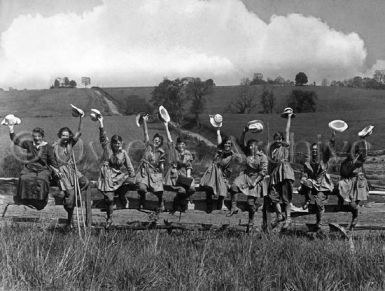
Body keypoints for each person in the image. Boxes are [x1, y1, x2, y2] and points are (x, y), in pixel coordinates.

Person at [8, 124, 61, 210]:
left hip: (43, 169)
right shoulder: (29, 144)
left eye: (39, 136)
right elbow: (16, 141)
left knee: (42, 179)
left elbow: (52, 161)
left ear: (42, 136)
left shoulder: (48, 147)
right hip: (30, 168)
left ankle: (40, 202)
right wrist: (11, 128)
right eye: (35, 136)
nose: (37, 138)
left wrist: (57, 171)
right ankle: (26, 201)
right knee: (24, 178)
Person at [96, 115, 135, 228]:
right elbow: (103, 137)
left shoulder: (123, 153)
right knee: (109, 198)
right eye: (115, 143)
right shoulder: (108, 149)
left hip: (118, 176)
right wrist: (101, 122)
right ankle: (109, 217)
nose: (117, 145)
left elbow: (130, 166)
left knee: (132, 182)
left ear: (121, 143)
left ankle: (122, 194)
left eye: (119, 143)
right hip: (107, 175)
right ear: (112, 144)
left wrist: (132, 176)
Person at [52, 114, 89, 229]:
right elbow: (48, 161)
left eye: (67, 135)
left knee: (85, 182)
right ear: (60, 135)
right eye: (63, 135)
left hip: (71, 170)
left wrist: (81, 117)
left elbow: (79, 131)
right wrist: (55, 170)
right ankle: (69, 220)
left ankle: (69, 198)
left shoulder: (70, 144)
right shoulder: (54, 146)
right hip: (60, 172)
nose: (65, 137)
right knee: (70, 194)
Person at [229, 125, 268, 230]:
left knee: (250, 202)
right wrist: (244, 132)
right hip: (246, 175)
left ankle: (251, 221)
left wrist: (255, 182)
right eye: (249, 146)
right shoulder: (248, 154)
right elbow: (241, 143)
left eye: (252, 146)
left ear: (256, 147)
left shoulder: (262, 157)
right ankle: (234, 207)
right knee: (233, 186)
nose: (250, 148)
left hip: (257, 178)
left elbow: (263, 172)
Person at [299, 130, 336, 230]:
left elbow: (329, 150)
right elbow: (305, 173)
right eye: (313, 150)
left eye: (316, 150)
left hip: (322, 184)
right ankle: (307, 199)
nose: (314, 151)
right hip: (313, 183)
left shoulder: (323, 160)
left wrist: (332, 139)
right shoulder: (308, 162)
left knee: (319, 203)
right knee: (304, 183)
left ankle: (319, 221)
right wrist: (303, 180)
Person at [337, 132, 370, 230]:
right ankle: (343, 202)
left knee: (353, 203)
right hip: (348, 183)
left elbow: (365, 154)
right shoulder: (345, 163)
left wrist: (363, 139)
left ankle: (355, 217)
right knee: (341, 187)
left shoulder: (359, 160)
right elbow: (343, 174)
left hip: (358, 183)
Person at [200, 127, 238, 213]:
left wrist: (226, 179)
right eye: (226, 143)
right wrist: (218, 130)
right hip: (212, 173)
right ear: (223, 144)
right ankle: (209, 205)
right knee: (209, 187)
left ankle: (219, 205)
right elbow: (219, 141)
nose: (227, 145)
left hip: (222, 175)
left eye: (229, 144)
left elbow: (229, 169)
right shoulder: (219, 151)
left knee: (223, 188)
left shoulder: (231, 156)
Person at [268, 113, 295, 229]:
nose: (278, 140)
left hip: (284, 172)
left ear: (282, 139)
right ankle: (279, 215)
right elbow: (270, 164)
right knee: (273, 195)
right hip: (275, 174)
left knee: (285, 197)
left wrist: (289, 117)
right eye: (276, 139)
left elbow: (287, 130)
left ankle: (288, 218)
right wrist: (268, 175)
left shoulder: (285, 147)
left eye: (280, 139)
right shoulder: (272, 150)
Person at [135, 114, 166, 212]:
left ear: (160, 143)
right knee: (142, 188)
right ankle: (142, 199)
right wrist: (144, 121)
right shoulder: (148, 146)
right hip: (144, 172)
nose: (156, 142)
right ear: (153, 140)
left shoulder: (161, 153)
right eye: (155, 140)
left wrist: (162, 175)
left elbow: (161, 166)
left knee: (159, 190)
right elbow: (146, 133)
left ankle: (161, 202)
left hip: (154, 173)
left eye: (158, 141)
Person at [163, 122, 195, 213]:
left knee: (192, 189)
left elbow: (189, 166)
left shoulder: (188, 153)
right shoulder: (174, 150)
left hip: (184, 175)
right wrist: (166, 126)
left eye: (183, 144)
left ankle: (178, 200)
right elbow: (169, 139)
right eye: (179, 144)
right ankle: (179, 204)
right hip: (175, 176)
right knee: (182, 191)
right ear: (177, 144)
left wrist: (188, 178)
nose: (181, 145)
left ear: (185, 145)